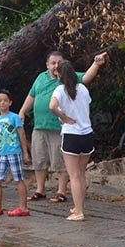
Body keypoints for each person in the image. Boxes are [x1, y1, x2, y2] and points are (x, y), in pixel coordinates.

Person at [19, 50, 107, 204]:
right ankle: (40, 190)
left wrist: (96, 64)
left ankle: (61, 191)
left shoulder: (68, 78)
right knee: (39, 159)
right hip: (40, 126)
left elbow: (86, 77)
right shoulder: (40, 78)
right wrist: (22, 111)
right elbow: (31, 95)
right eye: (52, 63)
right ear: (47, 65)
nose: (55, 66)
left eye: (59, 63)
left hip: (59, 128)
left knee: (61, 161)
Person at [49, 61, 94, 221]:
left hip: (71, 134)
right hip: (87, 133)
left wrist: (64, 118)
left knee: (73, 175)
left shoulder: (60, 90)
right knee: (81, 174)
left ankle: (79, 212)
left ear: (59, 74)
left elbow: (52, 106)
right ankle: (78, 206)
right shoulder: (83, 89)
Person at [0, 89, 31, 217]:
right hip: (1, 153)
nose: (2, 103)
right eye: (0, 101)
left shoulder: (14, 117)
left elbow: (21, 134)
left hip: (14, 152)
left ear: (10, 102)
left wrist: (25, 152)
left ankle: (23, 207)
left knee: (19, 179)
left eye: (5, 100)